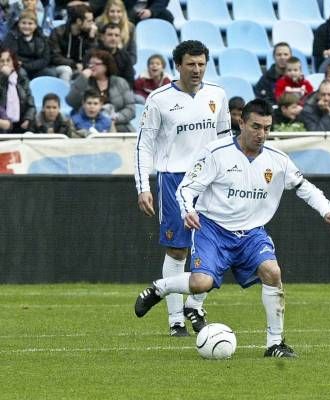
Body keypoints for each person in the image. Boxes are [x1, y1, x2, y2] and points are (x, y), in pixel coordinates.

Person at [134, 98, 330, 358]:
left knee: (273, 272)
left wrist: (327, 209)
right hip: (212, 229)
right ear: (241, 123)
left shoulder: (278, 160)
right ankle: (160, 288)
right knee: (201, 283)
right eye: (256, 127)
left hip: (251, 233)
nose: (262, 134)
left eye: (267, 128)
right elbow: (187, 188)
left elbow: (305, 187)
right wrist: (187, 210)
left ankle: (275, 344)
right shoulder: (216, 152)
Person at [134, 40, 232, 337]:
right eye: (191, 64)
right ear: (178, 65)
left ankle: (195, 304)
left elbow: (225, 138)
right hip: (174, 178)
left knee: (217, 248)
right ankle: (176, 320)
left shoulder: (218, 94)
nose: (197, 69)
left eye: (201, 64)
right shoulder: (159, 98)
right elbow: (144, 145)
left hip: (211, 180)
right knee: (178, 249)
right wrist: (143, 185)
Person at [66, 49, 135, 132]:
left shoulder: (120, 82)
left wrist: (115, 118)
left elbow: (130, 108)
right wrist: (82, 78)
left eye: (96, 64)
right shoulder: (84, 81)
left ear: (106, 66)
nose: (91, 66)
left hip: (116, 123)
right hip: (87, 125)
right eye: (90, 63)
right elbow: (71, 101)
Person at [49, 4, 98, 82]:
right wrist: (74, 64)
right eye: (89, 21)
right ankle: (66, 93)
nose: (92, 24)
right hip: (60, 67)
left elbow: (93, 57)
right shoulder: (58, 32)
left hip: (80, 68)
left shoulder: (89, 34)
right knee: (67, 70)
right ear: (79, 21)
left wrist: (91, 39)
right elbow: (55, 57)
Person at [2, 10, 56, 80]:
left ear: (36, 25)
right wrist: (22, 64)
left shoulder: (42, 37)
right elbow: (11, 56)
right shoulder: (11, 36)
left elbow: (45, 59)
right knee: (21, 73)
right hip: (19, 68)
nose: (26, 26)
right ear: (18, 24)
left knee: (51, 73)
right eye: (23, 23)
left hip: (35, 68)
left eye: (30, 24)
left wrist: (26, 64)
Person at [0, 47, 35, 133]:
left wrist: (28, 118)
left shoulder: (21, 76)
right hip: (3, 123)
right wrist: (4, 77)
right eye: (2, 61)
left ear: (13, 62)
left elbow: (30, 100)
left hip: (21, 122)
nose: (5, 64)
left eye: (8, 60)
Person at [96, 22, 135, 86]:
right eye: (110, 35)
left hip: (120, 91)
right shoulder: (93, 54)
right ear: (102, 37)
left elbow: (130, 81)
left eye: (116, 35)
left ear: (120, 38)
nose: (113, 38)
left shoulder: (125, 56)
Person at [255, 42, 291, 106]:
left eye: (286, 54)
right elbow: (261, 100)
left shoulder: (297, 77)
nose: (282, 57)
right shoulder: (265, 78)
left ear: (290, 57)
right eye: (279, 55)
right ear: (274, 57)